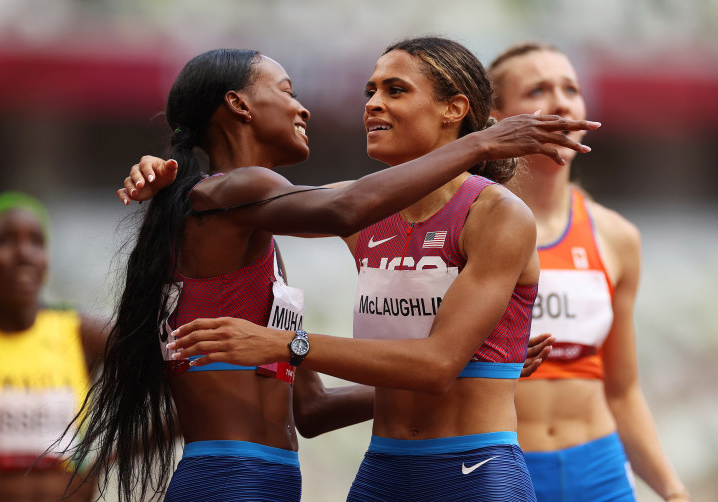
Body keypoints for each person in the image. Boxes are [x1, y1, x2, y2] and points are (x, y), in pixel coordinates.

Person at [101, 45, 599, 502]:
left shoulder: (497, 214)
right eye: (370, 91)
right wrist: (482, 144)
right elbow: (342, 207)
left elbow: (317, 407)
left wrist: (478, 369)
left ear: (454, 108)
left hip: (471, 469)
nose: (372, 104)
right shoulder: (332, 211)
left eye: (394, 90)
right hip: (351, 474)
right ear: (237, 106)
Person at [487, 41, 690, 501]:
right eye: (538, 89)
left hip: (598, 470)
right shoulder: (467, 226)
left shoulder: (617, 237)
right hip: (500, 469)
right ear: (496, 118)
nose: (561, 101)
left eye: (571, 88)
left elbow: (623, 389)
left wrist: (674, 492)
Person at [0, 192, 108, 502]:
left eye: (36, 241)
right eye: (5, 240)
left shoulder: (78, 331)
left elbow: (178, 369)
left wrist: (106, 459)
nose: (24, 254)